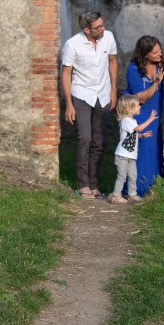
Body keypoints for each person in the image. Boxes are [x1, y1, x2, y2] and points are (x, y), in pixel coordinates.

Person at [61, 11, 118, 200]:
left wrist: (113, 91)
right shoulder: (72, 44)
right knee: (85, 137)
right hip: (81, 94)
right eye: (98, 27)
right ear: (86, 29)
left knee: (99, 142)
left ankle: (94, 184)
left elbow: (113, 62)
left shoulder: (108, 37)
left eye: (103, 24)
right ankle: (83, 183)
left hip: (102, 94)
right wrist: (69, 104)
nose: (103, 28)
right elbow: (66, 74)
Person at [123, 35, 164, 197]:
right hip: (140, 115)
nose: (159, 54)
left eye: (159, 50)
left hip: (156, 115)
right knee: (141, 150)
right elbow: (140, 98)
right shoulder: (134, 69)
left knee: (155, 149)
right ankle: (134, 189)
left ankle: (154, 186)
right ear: (145, 54)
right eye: (155, 52)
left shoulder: (162, 66)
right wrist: (155, 83)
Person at [110, 95, 158, 204]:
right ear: (128, 109)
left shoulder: (132, 121)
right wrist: (150, 119)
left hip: (131, 155)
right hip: (122, 155)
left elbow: (133, 134)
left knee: (133, 175)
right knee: (122, 176)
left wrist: (142, 135)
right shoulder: (126, 120)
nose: (139, 107)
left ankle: (132, 194)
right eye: (137, 106)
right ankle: (115, 196)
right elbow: (139, 128)